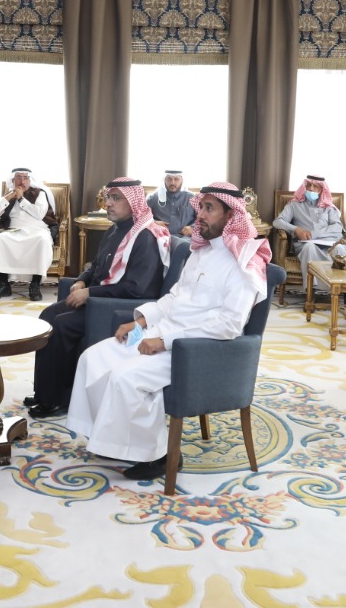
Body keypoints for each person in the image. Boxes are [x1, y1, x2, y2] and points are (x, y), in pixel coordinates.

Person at [65, 182, 270, 482]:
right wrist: (140, 322)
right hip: (161, 331)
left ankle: (159, 455)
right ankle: (112, 439)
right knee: (92, 358)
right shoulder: (200, 251)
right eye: (200, 207)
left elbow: (229, 325)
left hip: (193, 349)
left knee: (124, 377)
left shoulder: (244, 263)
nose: (200, 215)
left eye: (210, 208)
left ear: (231, 216)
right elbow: (174, 298)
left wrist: (163, 341)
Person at [26, 178, 168, 419]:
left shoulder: (145, 237)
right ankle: (44, 391)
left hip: (120, 309)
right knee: (48, 315)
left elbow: (135, 289)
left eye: (116, 198)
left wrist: (90, 293)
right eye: (108, 197)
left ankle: (59, 399)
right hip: (100, 299)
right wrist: (82, 280)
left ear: (133, 202)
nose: (108, 203)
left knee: (62, 325)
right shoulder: (115, 230)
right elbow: (96, 266)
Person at [0, 168, 59, 301]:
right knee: (0, 238)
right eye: (18, 178)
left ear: (30, 180)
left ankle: (35, 285)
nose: (22, 181)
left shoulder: (40, 194)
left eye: (25, 178)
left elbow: (39, 214)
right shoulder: (9, 195)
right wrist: (8, 198)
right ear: (13, 180)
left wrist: (21, 199)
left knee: (42, 240)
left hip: (38, 230)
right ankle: (3, 285)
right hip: (14, 230)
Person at [271, 173, 344, 289]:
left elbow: (338, 227)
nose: (311, 188)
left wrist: (314, 234)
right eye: (308, 185)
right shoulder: (294, 204)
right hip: (305, 244)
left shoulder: (329, 207)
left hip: (328, 244)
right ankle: (312, 288)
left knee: (340, 249)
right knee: (310, 247)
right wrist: (296, 229)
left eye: (315, 186)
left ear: (322, 189)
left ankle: (340, 288)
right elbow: (277, 222)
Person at [148, 170, 196, 237]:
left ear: (182, 181)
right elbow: (142, 218)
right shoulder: (153, 198)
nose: (172, 183)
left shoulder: (192, 198)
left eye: (176, 179)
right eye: (169, 179)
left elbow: (202, 218)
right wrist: (154, 222)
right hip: (160, 237)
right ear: (164, 180)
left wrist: (192, 227)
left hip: (185, 238)